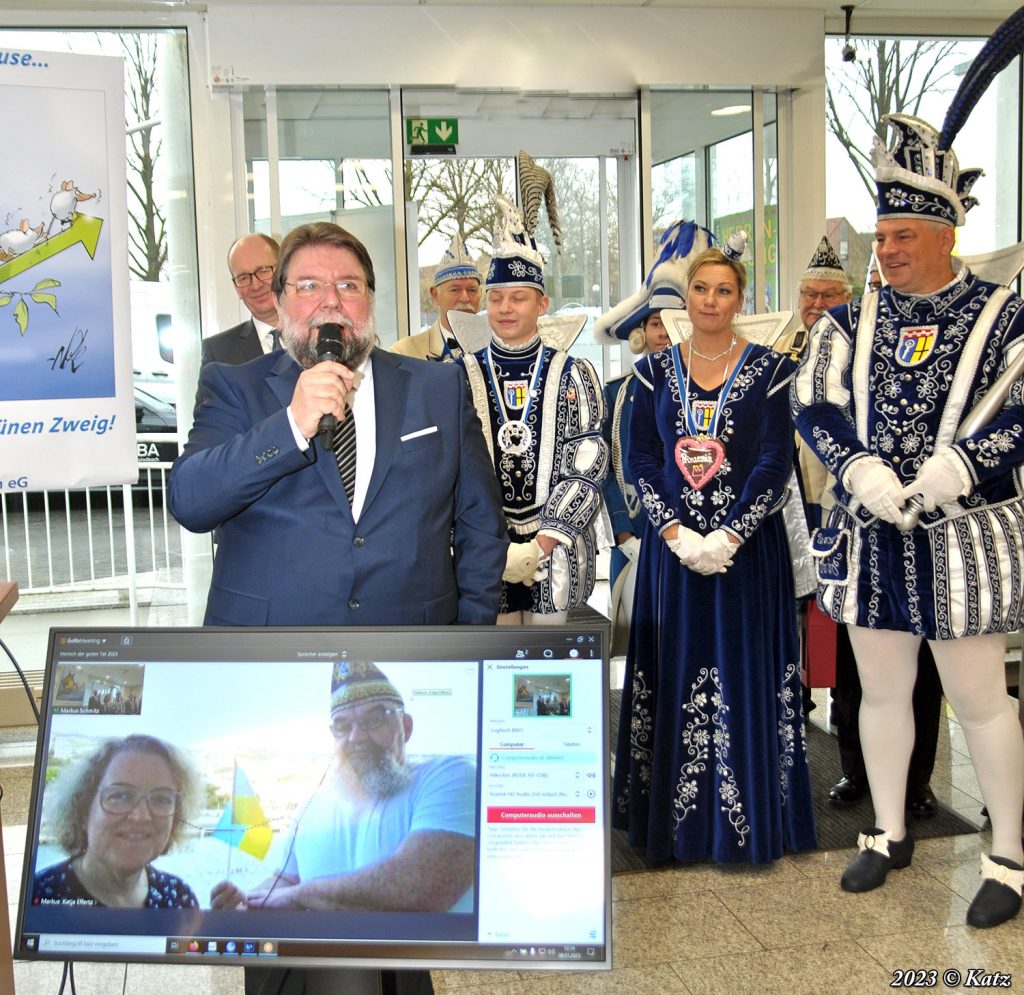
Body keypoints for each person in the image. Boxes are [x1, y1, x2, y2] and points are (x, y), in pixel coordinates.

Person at [792, 112, 1024, 927]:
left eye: (901, 236)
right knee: (882, 692)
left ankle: (1009, 856)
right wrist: (859, 467)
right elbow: (813, 403)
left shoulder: (1005, 314)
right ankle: (888, 830)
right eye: (882, 236)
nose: (885, 250)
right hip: (873, 534)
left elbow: (1021, 410)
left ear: (944, 235)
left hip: (965, 538)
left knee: (980, 698)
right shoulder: (850, 320)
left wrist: (965, 462)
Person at [168, 221, 508, 627]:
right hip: (269, 646)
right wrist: (291, 426)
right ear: (279, 303)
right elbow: (191, 502)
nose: (331, 301)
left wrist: (469, 636)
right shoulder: (233, 385)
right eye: (309, 286)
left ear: (370, 300)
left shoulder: (439, 387)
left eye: (348, 285)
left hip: (409, 643)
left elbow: (481, 523)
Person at [612, 242, 817, 864]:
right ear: (687, 298)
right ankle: (672, 828)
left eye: (723, 290)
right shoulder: (652, 372)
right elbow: (640, 456)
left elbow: (775, 460)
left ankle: (747, 824)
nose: (710, 300)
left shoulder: (773, 370)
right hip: (671, 559)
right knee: (673, 671)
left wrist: (730, 534)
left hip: (747, 559)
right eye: (701, 289)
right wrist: (675, 533)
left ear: (740, 299)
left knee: (743, 671)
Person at [785, 238, 944, 816]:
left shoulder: (871, 341)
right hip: (804, 518)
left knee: (918, 661)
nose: (817, 303)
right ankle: (854, 768)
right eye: (809, 294)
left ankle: (916, 781)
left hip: (889, 513)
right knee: (849, 659)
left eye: (828, 295)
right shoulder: (778, 352)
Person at [211, 661, 474, 914]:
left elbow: (420, 885)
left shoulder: (448, 776)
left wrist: (302, 895)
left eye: (374, 719)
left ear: (405, 726)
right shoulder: (311, 807)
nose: (356, 736)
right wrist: (244, 903)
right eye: (342, 725)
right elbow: (286, 882)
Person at [452, 197, 607, 623]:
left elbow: (589, 458)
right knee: (498, 652)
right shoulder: (459, 375)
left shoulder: (574, 373)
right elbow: (450, 467)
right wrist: (488, 540)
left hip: (556, 546)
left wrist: (545, 540)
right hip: (486, 545)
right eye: (497, 298)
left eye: (518, 298)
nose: (505, 308)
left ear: (541, 304)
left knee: (548, 655)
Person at [593, 220, 710, 650]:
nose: (664, 332)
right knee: (641, 648)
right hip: (635, 538)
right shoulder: (616, 392)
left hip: (696, 541)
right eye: (656, 323)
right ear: (643, 331)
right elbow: (604, 468)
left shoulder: (709, 392)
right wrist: (624, 533)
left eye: (673, 321)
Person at [33, 734, 201, 909]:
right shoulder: (37, 897)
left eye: (161, 799)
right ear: (83, 810)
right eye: (120, 796)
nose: (141, 816)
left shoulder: (180, 899)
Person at [391, 233, 481, 362]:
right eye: (455, 290)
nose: (465, 298)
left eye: (472, 290)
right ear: (435, 295)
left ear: (481, 293)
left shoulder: (500, 347)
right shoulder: (405, 353)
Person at [201, 233, 282, 366]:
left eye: (263, 271)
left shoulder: (316, 334)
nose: (256, 285)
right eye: (243, 277)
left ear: (283, 270)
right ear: (236, 288)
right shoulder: (218, 353)